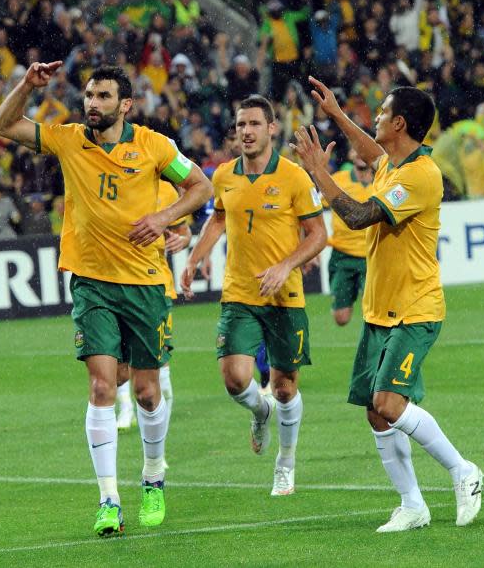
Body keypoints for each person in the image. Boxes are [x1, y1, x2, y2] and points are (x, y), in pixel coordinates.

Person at [0, 62, 212, 537]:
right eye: (89, 95)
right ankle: (108, 498)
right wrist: (27, 85)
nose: (92, 103)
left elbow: (201, 186)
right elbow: (3, 125)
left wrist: (165, 217)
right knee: (101, 387)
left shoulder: (154, 146)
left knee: (148, 391)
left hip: (147, 283)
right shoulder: (70, 139)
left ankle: (153, 476)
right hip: (92, 283)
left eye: (104, 96)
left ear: (125, 105)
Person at [291, 77, 483, 532]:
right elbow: (370, 154)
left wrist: (319, 172)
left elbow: (357, 218)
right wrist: (337, 115)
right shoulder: (393, 165)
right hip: (380, 310)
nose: (373, 117)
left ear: (399, 123)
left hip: (415, 309)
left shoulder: (419, 175)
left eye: (380, 112)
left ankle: (463, 471)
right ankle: (412, 504)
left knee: (389, 401)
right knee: (376, 412)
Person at [181, 94, 327, 496]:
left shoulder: (295, 177)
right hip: (240, 293)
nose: (245, 132)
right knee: (234, 379)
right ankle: (260, 412)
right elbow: (220, 217)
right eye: (240, 125)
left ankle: (286, 461)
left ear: (271, 129)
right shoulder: (225, 175)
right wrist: (196, 257)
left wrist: (285, 266)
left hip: (284, 297)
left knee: (284, 387)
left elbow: (319, 235)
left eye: (254, 125)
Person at [116, 180, 193, 439]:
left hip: (157, 287)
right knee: (119, 362)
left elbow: (183, 231)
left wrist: (182, 240)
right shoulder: (117, 180)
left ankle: (158, 439)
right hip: (117, 283)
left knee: (159, 363)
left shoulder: (167, 190)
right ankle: (125, 406)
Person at [327, 149, 372, 326]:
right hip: (342, 255)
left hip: (373, 256)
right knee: (341, 318)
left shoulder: (383, 181)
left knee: (375, 310)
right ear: (351, 153)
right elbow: (311, 206)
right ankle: (346, 296)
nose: (361, 153)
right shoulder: (338, 179)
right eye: (356, 147)